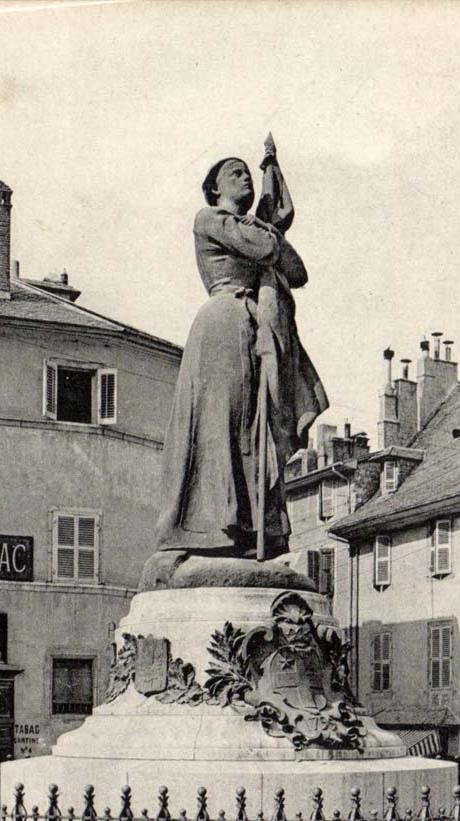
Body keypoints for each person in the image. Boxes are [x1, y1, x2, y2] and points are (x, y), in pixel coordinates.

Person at [155, 152, 328, 560]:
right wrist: (272, 228)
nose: (246, 179)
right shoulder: (210, 219)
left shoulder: (251, 226)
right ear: (215, 187)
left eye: (250, 174)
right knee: (222, 424)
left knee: (256, 429)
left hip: (255, 330)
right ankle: (213, 528)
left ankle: (254, 528)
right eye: (236, 174)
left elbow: (298, 272)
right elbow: (266, 245)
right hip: (223, 325)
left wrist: (272, 229)